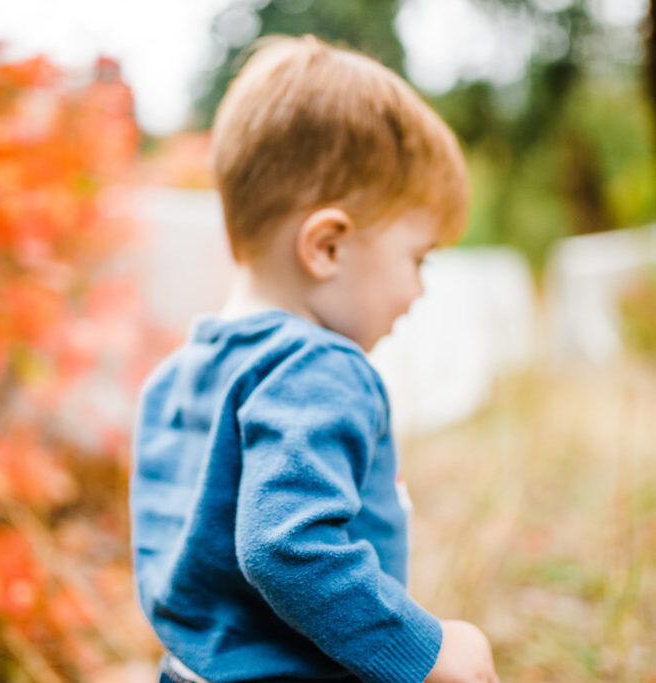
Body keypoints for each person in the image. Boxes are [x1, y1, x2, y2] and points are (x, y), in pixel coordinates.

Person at [130, 34, 500, 683]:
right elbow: (286, 545)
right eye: (419, 258)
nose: (420, 290)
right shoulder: (319, 367)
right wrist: (425, 650)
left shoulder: (175, 378)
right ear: (327, 245)